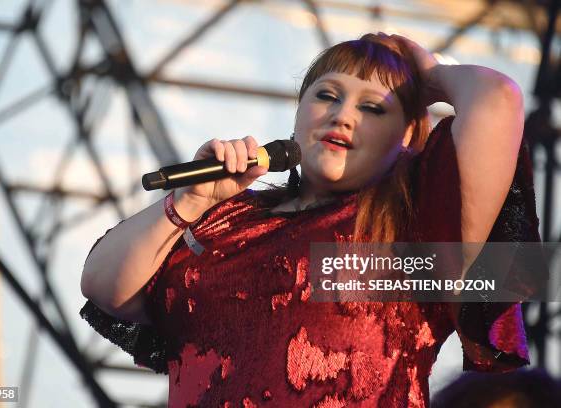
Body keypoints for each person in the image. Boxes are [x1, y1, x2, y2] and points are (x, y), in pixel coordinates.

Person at [79, 32, 541, 407]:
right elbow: (103, 285)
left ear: (405, 137)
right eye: (327, 96)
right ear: (299, 114)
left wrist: (430, 74)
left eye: (372, 107)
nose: (342, 116)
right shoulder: (225, 219)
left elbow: (498, 99)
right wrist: (189, 202)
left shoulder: (412, 223)